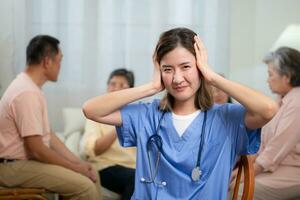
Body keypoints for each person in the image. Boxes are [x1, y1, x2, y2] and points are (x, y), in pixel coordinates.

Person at [83, 27, 278, 200]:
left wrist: (212, 77)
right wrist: (151, 87)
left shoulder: (227, 118)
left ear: (200, 68)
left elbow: (268, 109)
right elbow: (90, 110)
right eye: (167, 69)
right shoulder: (147, 114)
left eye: (186, 67)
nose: (177, 78)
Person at [0, 35, 101, 200]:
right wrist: (76, 168)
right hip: (12, 167)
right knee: (85, 187)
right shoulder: (26, 93)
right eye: (59, 61)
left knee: (91, 171)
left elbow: (50, 137)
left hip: (21, 164)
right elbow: (36, 149)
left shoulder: (31, 88)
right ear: (47, 62)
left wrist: (78, 163)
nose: (60, 66)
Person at [231, 47, 300, 200]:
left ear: (286, 77)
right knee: (231, 184)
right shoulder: (281, 100)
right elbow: (263, 144)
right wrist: (242, 170)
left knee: (236, 191)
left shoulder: (297, 102)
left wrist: (248, 174)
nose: (267, 80)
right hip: (276, 167)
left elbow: (277, 146)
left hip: (293, 171)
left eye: (270, 74)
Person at [83, 68, 136, 200]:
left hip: (133, 167)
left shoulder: (137, 113)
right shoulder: (95, 114)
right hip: (105, 166)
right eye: (112, 84)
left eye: (122, 85)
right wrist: (119, 125)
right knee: (135, 179)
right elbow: (94, 150)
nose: (116, 89)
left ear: (130, 91)